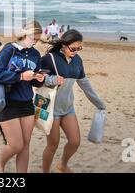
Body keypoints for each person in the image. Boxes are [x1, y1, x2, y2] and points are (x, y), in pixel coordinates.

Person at [40, 29, 106, 173]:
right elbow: (37, 80)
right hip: (51, 109)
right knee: (52, 145)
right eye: (73, 48)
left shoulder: (77, 60)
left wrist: (99, 103)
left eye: (79, 48)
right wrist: (51, 80)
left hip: (68, 108)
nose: (76, 51)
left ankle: (62, 164)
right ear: (64, 45)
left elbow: (85, 84)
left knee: (75, 141)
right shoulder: (49, 59)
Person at [0, 21, 46, 173]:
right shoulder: (10, 49)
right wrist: (21, 76)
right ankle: (0, 164)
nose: (34, 42)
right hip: (8, 102)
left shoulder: (35, 54)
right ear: (24, 34)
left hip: (26, 103)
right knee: (16, 145)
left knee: (26, 145)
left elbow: (33, 81)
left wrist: (38, 79)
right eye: (33, 38)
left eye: (37, 39)